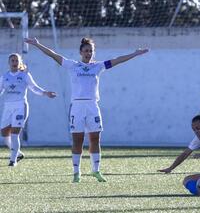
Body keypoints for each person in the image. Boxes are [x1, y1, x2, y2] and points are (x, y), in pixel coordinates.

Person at [25, 37, 148, 183]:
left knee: (95, 138)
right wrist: (38, 44)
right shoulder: (72, 65)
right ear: (80, 52)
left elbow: (118, 60)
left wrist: (134, 54)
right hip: (77, 107)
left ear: (93, 52)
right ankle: (76, 173)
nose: (88, 53)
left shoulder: (98, 66)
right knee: (78, 140)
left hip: (92, 106)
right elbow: (53, 55)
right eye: (86, 51)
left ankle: (96, 170)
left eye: (90, 51)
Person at [0, 53, 56, 166]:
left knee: (15, 133)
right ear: (9, 63)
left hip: (20, 106)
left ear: (20, 63)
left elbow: (34, 87)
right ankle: (18, 153)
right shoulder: (4, 77)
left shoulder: (25, 75)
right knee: (4, 133)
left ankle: (13, 160)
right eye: (12, 61)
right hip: (8, 107)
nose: (15, 63)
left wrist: (45, 93)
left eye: (16, 61)